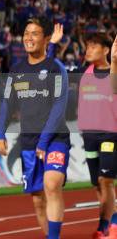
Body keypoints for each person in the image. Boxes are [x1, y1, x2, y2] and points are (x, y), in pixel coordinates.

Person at [0, 17, 70, 239]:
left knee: (52, 184)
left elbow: (59, 107)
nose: (28, 37)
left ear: (46, 39)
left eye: (35, 33)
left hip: (55, 139)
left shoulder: (57, 69)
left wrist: (44, 142)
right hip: (28, 142)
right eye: (26, 33)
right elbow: (7, 105)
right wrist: (0, 134)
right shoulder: (16, 70)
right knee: (38, 201)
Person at [74, 33, 117, 239]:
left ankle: (110, 225)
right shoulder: (83, 73)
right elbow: (53, 73)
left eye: (93, 46)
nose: (88, 50)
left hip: (111, 134)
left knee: (106, 179)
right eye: (87, 46)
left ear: (106, 50)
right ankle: (108, 221)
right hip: (89, 136)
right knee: (98, 184)